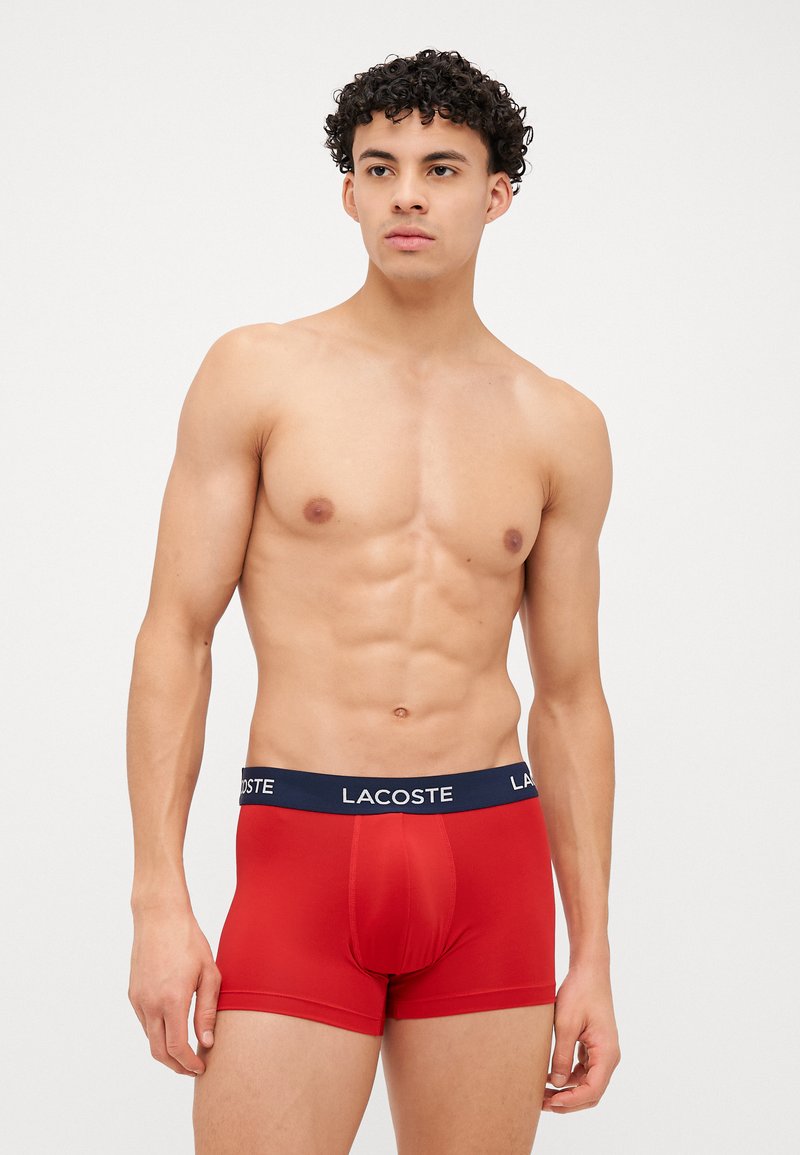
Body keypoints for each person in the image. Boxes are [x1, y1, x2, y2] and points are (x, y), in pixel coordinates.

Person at [126, 46, 621, 1154]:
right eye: (379, 166)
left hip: (488, 860)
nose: (407, 194)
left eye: (442, 168)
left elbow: (571, 698)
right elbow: (176, 635)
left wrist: (590, 951)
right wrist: (158, 898)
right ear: (348, 192)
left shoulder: (558, 424)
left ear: (496, 195)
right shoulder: (258, 374)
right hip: (302, 845)